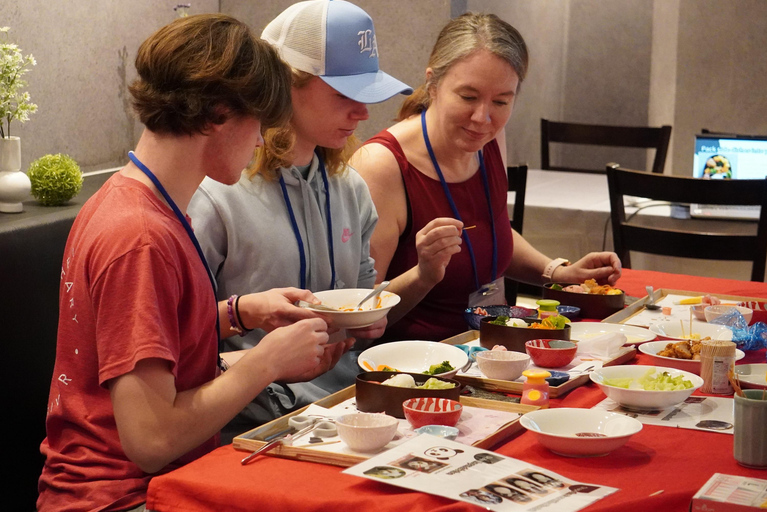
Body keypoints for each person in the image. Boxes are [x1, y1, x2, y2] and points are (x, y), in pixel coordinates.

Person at [37, 15, 339, 512]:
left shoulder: (129, 196)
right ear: (219, 113)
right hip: (119, 497)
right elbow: (152, 439)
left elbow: (136, 342)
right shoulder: (141, 237)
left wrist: (240, 313)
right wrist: (265, 362)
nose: (261, 141)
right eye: (258, 123)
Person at [188, 0, 412, 436]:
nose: (363, 112)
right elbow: (180, 335)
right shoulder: (215, 194)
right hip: (250, 422)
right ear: (283, 86)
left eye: (367, 96)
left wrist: (369, 317)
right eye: (344, 95)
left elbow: (363, 295)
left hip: (351, 406)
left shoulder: (351, 187)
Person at [350, 12, 621, 342]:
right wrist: (424, 275)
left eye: (501, 101)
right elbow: (360, 316)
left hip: (496, 349)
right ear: (433, 84)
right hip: (417, 365)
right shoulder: (381, 165)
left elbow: (492, 229)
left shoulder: (491, 137)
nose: (483, 118)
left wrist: (559, 272)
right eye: (468, 97)